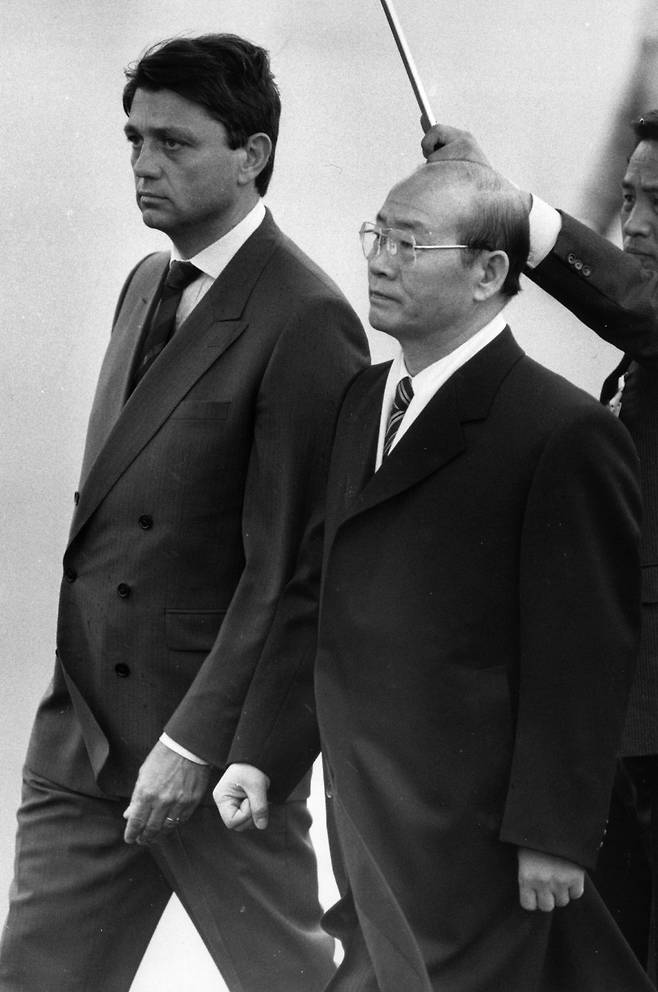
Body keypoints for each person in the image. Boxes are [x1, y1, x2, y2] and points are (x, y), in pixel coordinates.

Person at [214, 159, 653, 990]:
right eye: (377, 236)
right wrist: (262, 751)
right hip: (368, 831)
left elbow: (585, 654)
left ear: (490, 272)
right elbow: (318, 596)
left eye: (410, 245)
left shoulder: (562, 430)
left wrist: (554, 834)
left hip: (481, 845)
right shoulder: (363, 401)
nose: (380, 261)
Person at [0, 33, 368, 992]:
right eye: (133, 139)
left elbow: (290, 569)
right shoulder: (142, 284)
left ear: (252, 156)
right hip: (82, 742)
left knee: (288, 983)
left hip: (210, 759)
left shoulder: (305, 316)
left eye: (174, 143)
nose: (143, 164)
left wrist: (195, 745)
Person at [421, 114, 658, 979]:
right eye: (629, 199)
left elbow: (634, 304)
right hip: (623, 738)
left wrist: (505, 206)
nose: (635, 224)